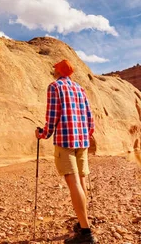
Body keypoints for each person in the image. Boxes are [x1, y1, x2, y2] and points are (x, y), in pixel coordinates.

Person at [35, 59, 97, 244]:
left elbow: (52, 115)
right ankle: (82, 222)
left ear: (58, 71)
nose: (53, 72)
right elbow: (90, 118)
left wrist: (43, 134)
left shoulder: (55, 87)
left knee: (73, 182)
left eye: (55, 69)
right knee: (82, 181)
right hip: (82, 141)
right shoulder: (80, 89)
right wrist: (86, 134)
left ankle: (86, 233)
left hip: (65, 141)